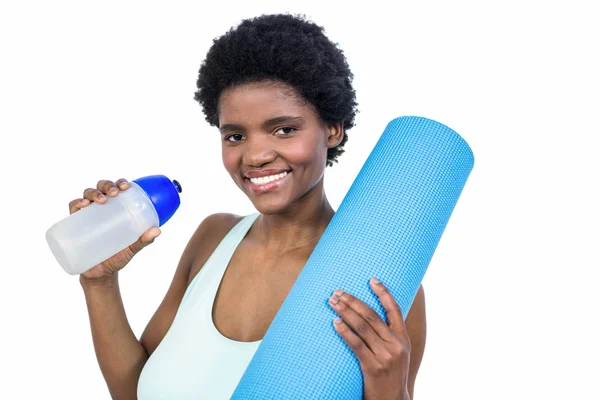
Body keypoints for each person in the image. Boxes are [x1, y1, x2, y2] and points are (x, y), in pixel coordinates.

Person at [71, 13, 426, 400]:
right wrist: (99, 283)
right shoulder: (214, 238)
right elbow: (133, 394)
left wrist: (393, 392)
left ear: (332, 129)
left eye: (284, 129)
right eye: (235, 135)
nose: (255, 155)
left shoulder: (379, 281)